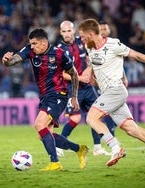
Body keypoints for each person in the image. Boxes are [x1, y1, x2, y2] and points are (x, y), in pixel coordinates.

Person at [78, 18, 145, 169]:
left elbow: (137, 55)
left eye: (83, 35)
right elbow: (98, 66)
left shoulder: (113, 44)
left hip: (116, 90)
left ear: (91, 34)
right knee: (131, 129)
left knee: (92, 118)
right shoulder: (89, 47)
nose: (81, 38)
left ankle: (115, 148)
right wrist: (92, 77)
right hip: (108, 92)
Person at [2, 28, 88, 171]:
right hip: (44, 96)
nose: (32, 46)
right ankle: (79, 149)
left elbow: (73, 75)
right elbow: (12, 61)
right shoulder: (30, 50)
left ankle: (55, 162)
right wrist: (6, 60)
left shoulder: (60, 54)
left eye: (35, 44)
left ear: (43, 43)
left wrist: (74, 97)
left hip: (58, 94)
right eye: (31, 44)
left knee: (39, 124)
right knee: (44, 135)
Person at [56, 20, 117, 156]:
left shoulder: (82, 42)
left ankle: (97, 148)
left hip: (88, 87)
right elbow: (61, 73)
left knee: (97, 116)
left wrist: (89, 69)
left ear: (74, 31)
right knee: (75, 119)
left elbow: (92, 57)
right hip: (72, 88)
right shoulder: (59, 49)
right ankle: (59, 146)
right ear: (60, 32)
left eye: (69, 30)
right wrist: (80, 78)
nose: (67, 34)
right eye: (64, 31)